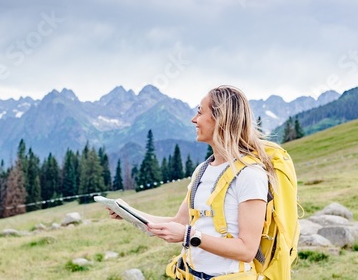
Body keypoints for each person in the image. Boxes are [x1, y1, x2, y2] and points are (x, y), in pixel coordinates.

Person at [108, 85, 277, 279]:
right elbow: (178, 223)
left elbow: (247, 250)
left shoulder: (250, 174)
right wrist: (129, 212)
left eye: (199, 112)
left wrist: (189, 236)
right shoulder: (202, 170)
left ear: (220, 118)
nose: (194, 119)